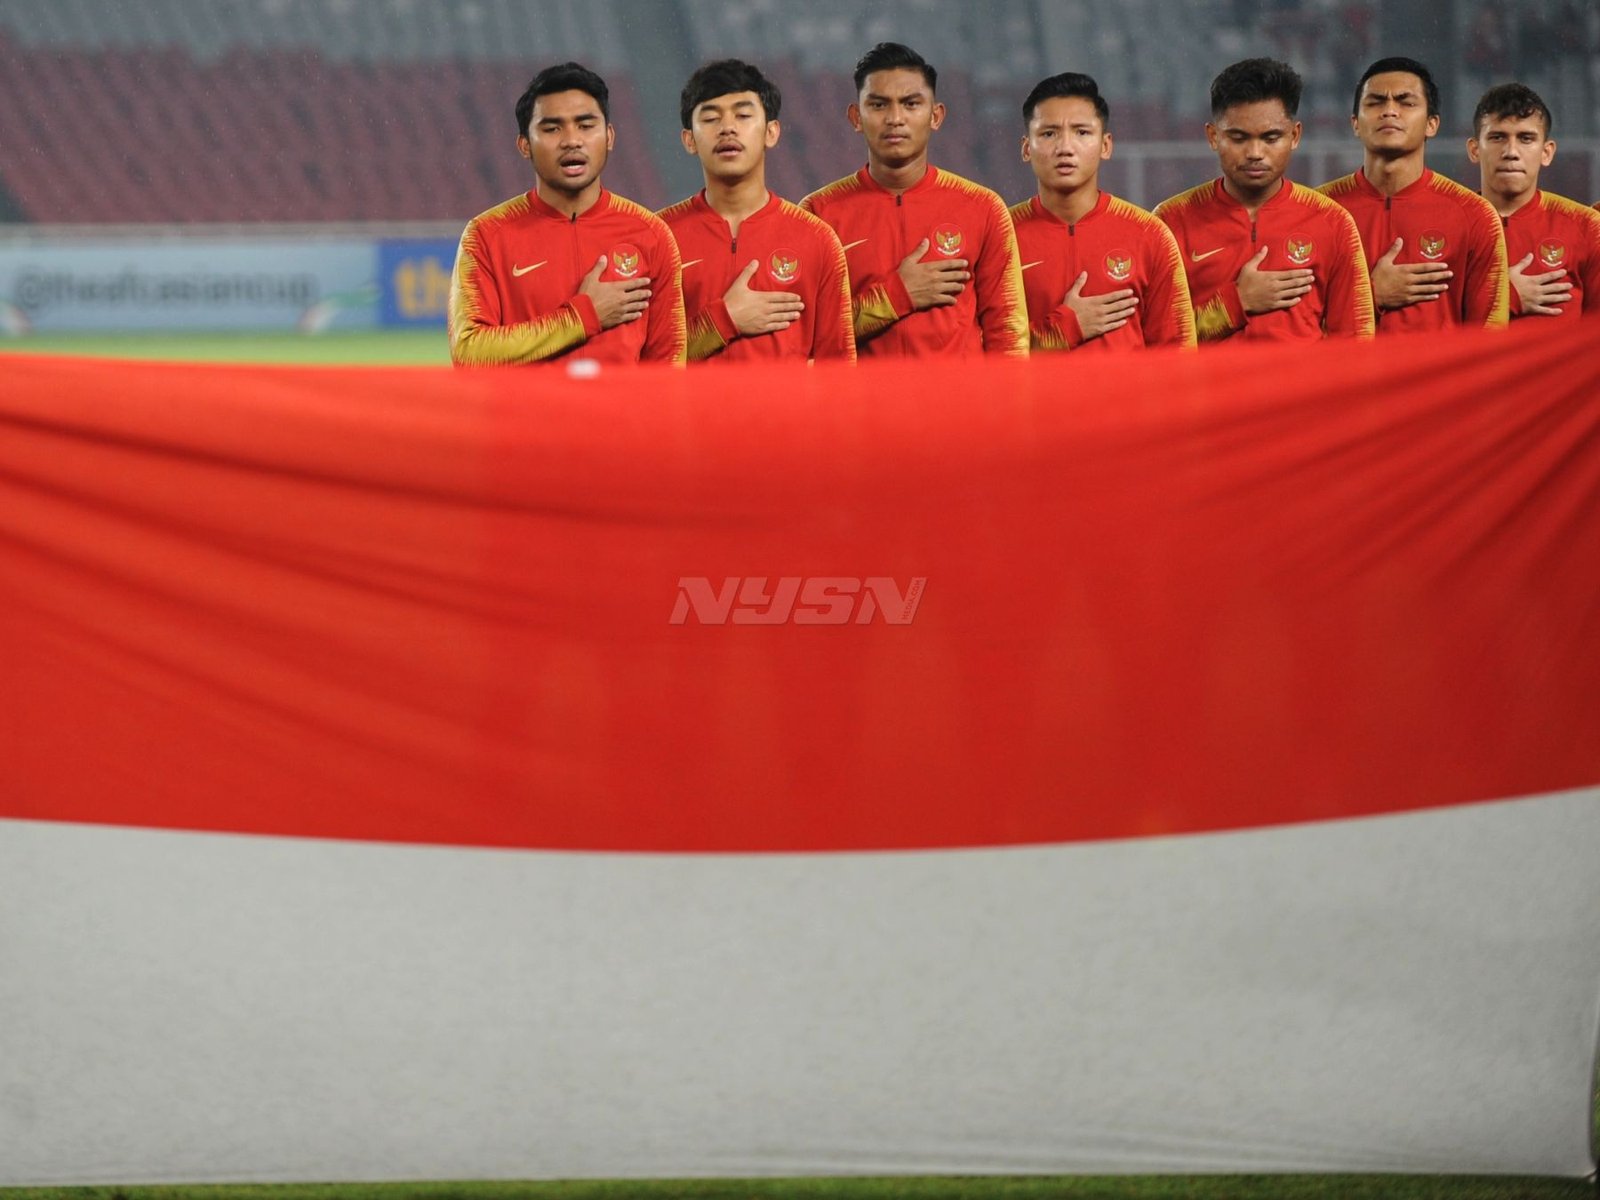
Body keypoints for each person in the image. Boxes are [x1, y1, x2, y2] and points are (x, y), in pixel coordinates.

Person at [799, 42, 1028, 358]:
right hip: (860, 393)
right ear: (856, 117)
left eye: (910, 104)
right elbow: (806, 336)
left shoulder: (983, 208)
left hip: (960, 393)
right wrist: (895, 296)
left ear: (936, 115)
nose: (895, 118)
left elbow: (1008, 336)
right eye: (879, 105)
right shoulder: (818, 214)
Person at [449, 62, 686, 365]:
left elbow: (669, 366)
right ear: (524, 145)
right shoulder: (486, 235)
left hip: (619, 401)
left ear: (609, 137)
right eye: (552, 129)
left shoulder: (652, 234)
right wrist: (582, 316)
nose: (572, 140)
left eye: (586, 126)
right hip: (527, 401)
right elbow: (469, 353)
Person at [1155, 58, 1373, 342]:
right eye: (1238, 138)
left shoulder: (1333, 222)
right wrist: (1234, 303)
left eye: (1271, 138)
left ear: (1295, 136)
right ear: (1213, 136)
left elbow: (1355, 342)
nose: (1255, 153)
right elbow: (1157, 340)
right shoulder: (1170, 222)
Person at [658, 59, 855, 363]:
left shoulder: (817, 239)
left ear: (771, 132)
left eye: (743, 115)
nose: (727, 128)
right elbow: (641, 366)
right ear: (689, 140)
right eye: (710, 118)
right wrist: (722, 321)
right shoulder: (657, 238)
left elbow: (839, 367)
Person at [1318, 57, 1508, 332]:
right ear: (1355, 124)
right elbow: (1297, 327)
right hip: (1346, 364)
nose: (1389, 111)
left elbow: (1489, 336)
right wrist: (1372, 295)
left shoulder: (1475, 215)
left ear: (1432, 124)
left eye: (1406, 102)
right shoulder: (1317, 212)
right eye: (1375, 102)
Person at [1011, 72, 1195, 351]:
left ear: (1105, 146)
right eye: (1049, 134)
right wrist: (1063, 329)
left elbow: (1177, 354)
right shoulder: (999, 236)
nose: (1065, 148)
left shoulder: (1149, 235)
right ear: (1026, 149)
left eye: (1082, 132)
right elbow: (978, 352)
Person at [1467, 83, 1600, 321]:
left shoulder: (1587, 227)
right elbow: (1432, 322)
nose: (1511, 152)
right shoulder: (1448, 226)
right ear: (1475, 150)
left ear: (1546, 152)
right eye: (1497, 137)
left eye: (1526, 139)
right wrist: (1506, 295)